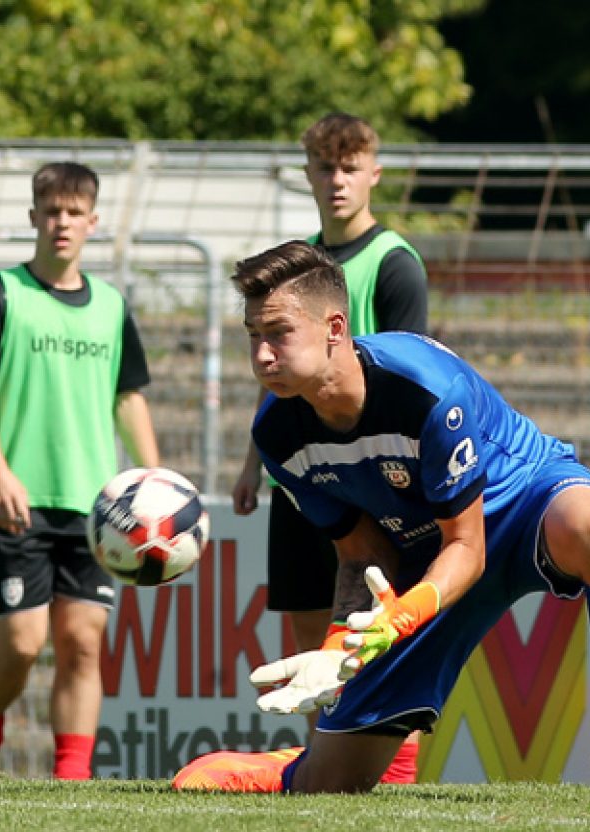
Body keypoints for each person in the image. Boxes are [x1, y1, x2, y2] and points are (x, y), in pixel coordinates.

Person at [173, 240, 590, 808]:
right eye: (253, 336)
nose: (263, 355)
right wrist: (340, 645)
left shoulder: (423, 390)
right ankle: (292, 768)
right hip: (429, 556)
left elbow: (469, 547)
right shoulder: (278, 436)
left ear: (334, 328)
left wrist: (398, 618)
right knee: (333, 784)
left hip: (522, 505)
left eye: (277, 333)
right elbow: (362, 554)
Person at [230, 113, 428, 783]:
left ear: (374, 172)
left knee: (372, 629)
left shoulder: (393, 262)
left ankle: (388, 767)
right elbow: (277, 371)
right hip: (301, 474)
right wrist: (252, 462)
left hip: (370, 478)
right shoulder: (294, 262)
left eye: (350, 167)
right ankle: (323, 766)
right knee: (310, 630)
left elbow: (410, 366)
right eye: (324, 167)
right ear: (308, 174)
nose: (337, 180)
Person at [0, 161, 160, 780]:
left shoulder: (112, 307)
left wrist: (154, 480)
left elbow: (128, 398)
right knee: (21, 643)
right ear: (34, 218)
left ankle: (71, 780)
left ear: (92, 222)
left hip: (99, 506)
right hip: (20, 498)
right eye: (51, 211)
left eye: (74, 213)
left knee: (82, 643)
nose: (62, 223)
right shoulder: (0, 294)